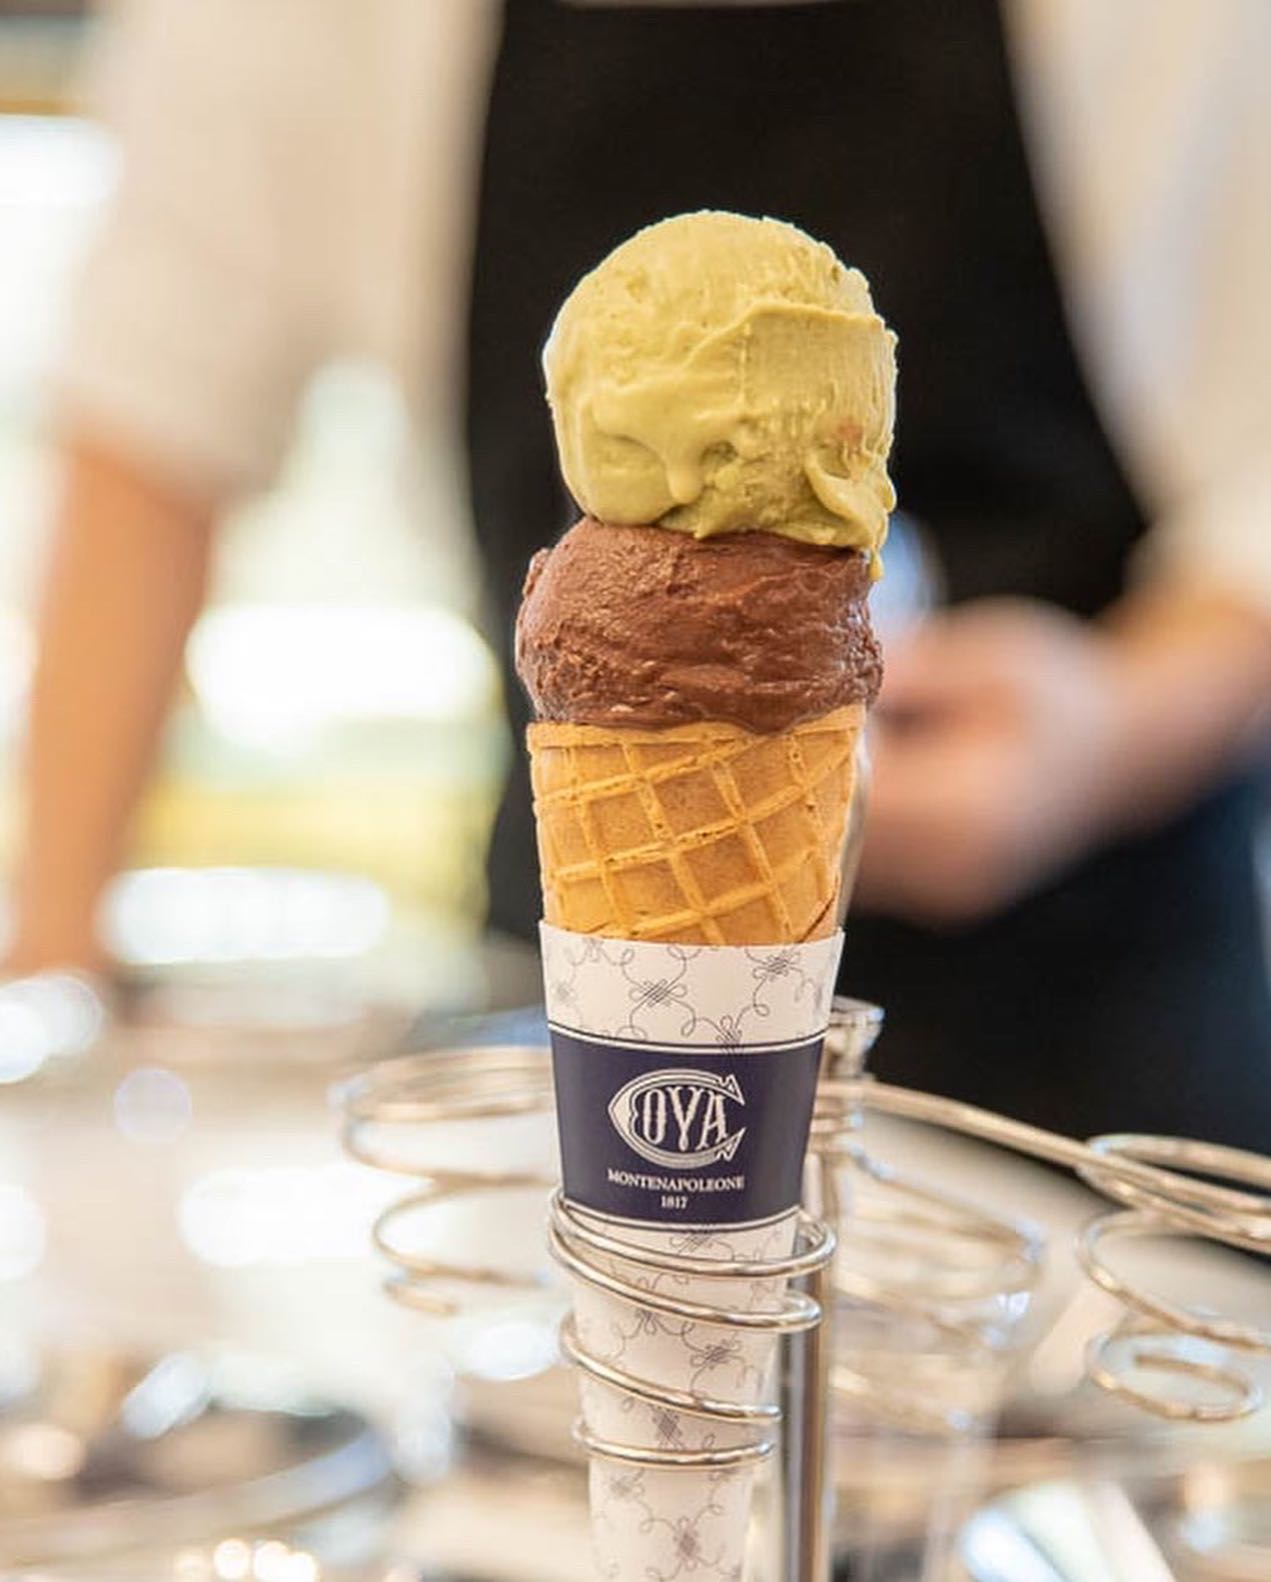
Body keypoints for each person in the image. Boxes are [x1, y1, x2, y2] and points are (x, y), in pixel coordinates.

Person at [11, 0, 1271, 1144]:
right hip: (573, 1002)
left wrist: (1115, 724)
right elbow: (150, 435)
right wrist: (51, 975)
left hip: (1098, 1055)